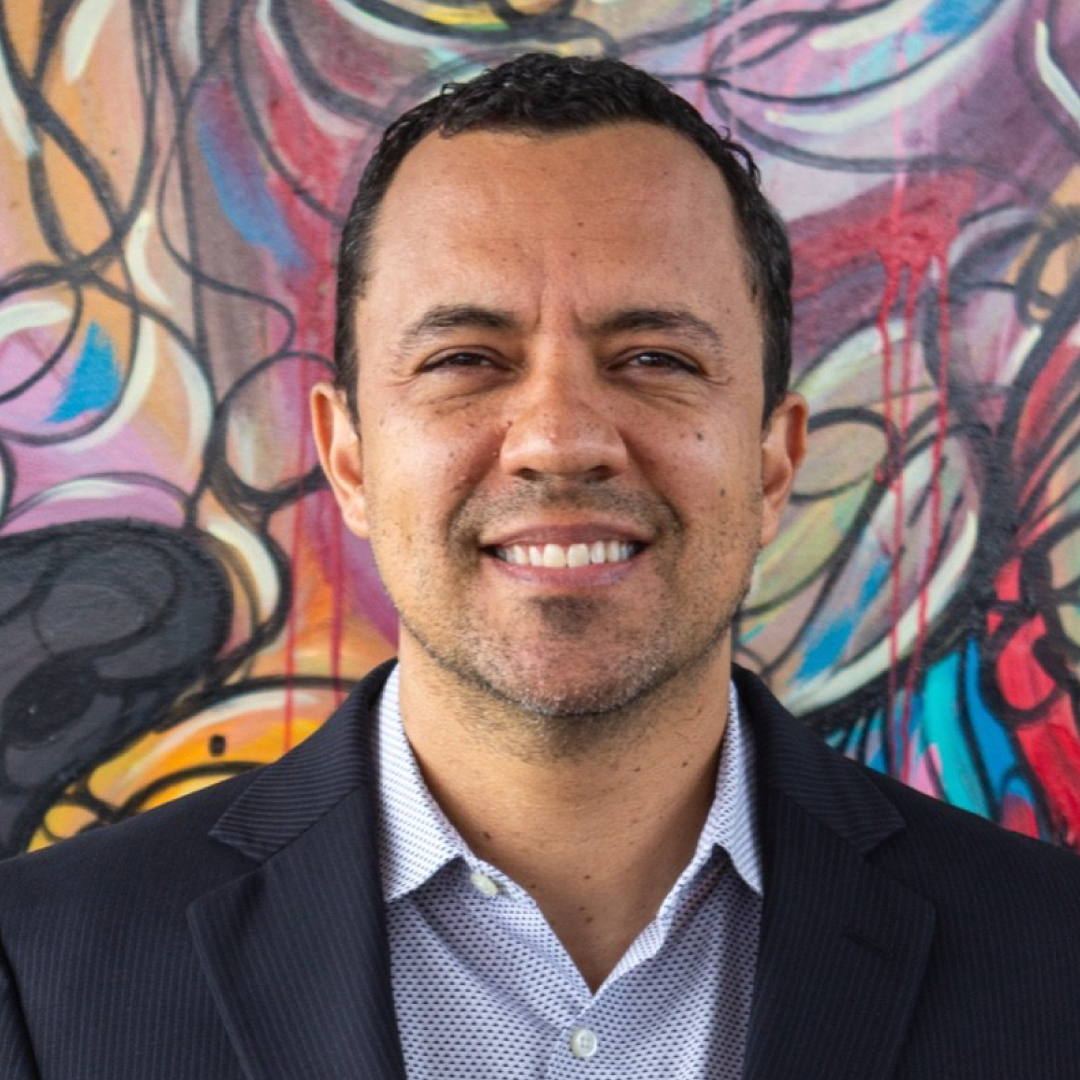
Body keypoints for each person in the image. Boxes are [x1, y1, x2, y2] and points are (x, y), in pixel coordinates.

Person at [1, 52, 1079, 1080]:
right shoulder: (45, 976)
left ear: (771, 459)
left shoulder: (1050, 962)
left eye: (654, 359)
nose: (560, 437)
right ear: (349, 457)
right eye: (466, 360)